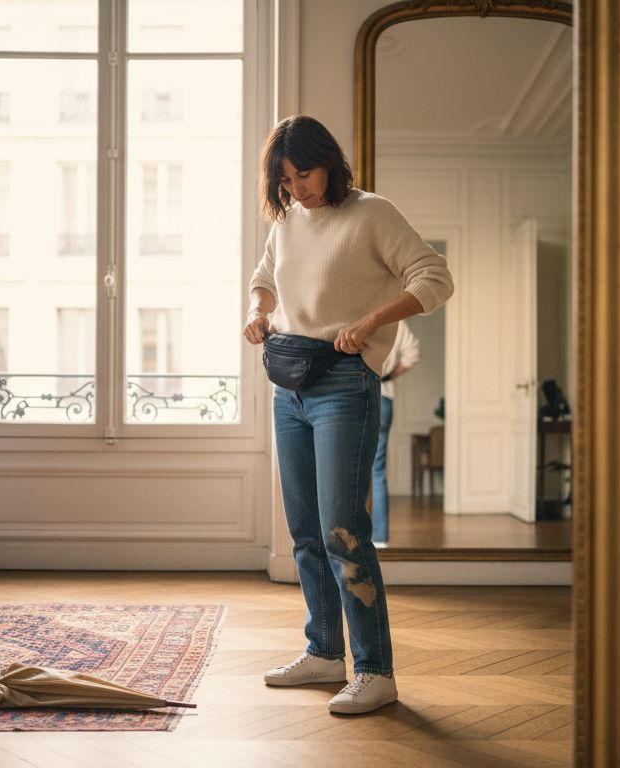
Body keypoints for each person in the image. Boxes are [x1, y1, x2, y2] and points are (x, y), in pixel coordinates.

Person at [243, 115, 453, 715]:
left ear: (328, 161)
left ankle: (375, 670)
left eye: (302, 173)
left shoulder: (372, 213)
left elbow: (435, 277)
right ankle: (324, 653)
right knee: (305, 532)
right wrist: (258, 311)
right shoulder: (285, 223)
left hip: (345, 386)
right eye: (284, 180)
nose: (296, 189)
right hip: (289, 384)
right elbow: (263, 280)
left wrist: (371, 323)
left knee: (343, 530)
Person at [372, 320, 420, 547]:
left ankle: (352, 539)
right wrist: (388, 376)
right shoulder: (397, 322)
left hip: (354, 396)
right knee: (377, 471)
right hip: (384, 398)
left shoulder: (355, 310)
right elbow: (413, 353)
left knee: (350, 471)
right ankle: (380, 540)